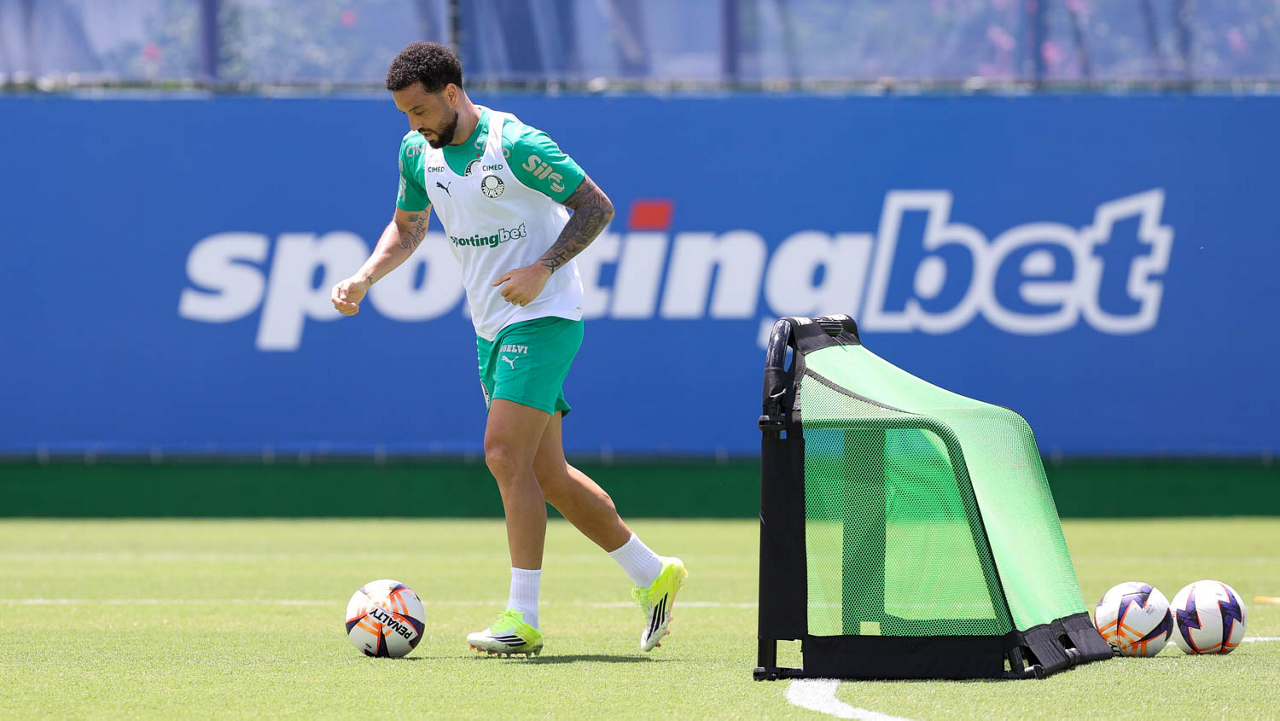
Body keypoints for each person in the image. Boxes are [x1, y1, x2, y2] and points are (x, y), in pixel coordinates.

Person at [330, 41, 686, 657]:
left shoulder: (515, 145)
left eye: (419, 110)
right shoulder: (418, 150)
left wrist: (544, 268)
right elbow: (408, 226)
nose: (413, 124)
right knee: (547, 474)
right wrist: (366, 276)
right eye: (403, 115)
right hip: (490, 326)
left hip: (544, 316)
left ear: (451, 94)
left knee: (501, 453)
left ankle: (521, 619)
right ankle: (652, 573)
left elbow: (596, 206)